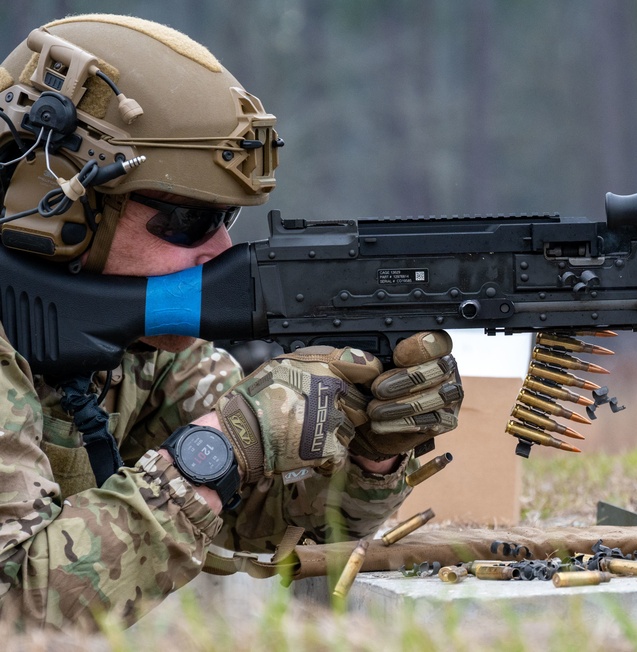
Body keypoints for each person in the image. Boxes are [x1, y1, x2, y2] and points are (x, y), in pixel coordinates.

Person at [0, 14, 462, 627]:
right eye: (188, 221)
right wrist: (221, 444)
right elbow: (15, 612)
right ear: (58, 196)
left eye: (227, 221)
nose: (218, 253)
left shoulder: (144, 341)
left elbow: (259, 527)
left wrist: (370, 453)